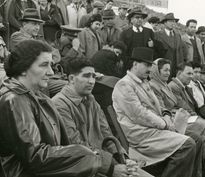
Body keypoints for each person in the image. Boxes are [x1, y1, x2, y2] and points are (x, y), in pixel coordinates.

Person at [0, 39, 122, 177]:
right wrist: (99, 162)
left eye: (51, 65)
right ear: (23, 68)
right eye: (44, 65)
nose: (51, 72)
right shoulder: (14, 100)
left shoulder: (37, 97)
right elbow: (36, 157)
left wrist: (114, 160)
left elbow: (61, 146)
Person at [52, 58, 153, 177]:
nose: (91, 81)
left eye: (93, 76)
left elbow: (107, 134)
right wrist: (112, 166)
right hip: (84, 168)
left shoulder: (90, 99)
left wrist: (122, 158)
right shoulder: (60, 104)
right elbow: (76, 146)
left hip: (102, 162)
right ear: (71, 79)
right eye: (86, 76)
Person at [112, 47, 197, 177]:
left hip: (153, 129)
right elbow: (139, 114)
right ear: (135, 64)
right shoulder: (124, 84)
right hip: (140, 133)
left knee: (196, 138)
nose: (150, 69)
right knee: (188, 144)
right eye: (146, 65)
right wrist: (165, 124)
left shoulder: (143, 82)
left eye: (151, 65)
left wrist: (166, 115)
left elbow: (159, 106)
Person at [154, 13, 186, 77]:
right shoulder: (157, 35)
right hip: (163, 67)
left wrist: (181, 66)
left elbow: (182, 51)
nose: (172, 23)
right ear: (165, 23)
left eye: (174, 21)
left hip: (176, 67)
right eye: (170, 21)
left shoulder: (178, 36)